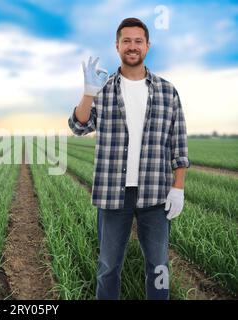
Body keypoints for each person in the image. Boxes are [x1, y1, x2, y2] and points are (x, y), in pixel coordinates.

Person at [68, 17, 190, 300]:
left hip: (155, 194)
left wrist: (178, 187)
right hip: (113, 195)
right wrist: (88, 93)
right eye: (126, 41)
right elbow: (78, 126)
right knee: (108, 266)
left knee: (158, 265)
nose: (132, 46)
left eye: (138, 41)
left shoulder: (167, 91)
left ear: (147, 45)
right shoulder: (104, 89)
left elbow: (178, 143)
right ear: (117, 46)